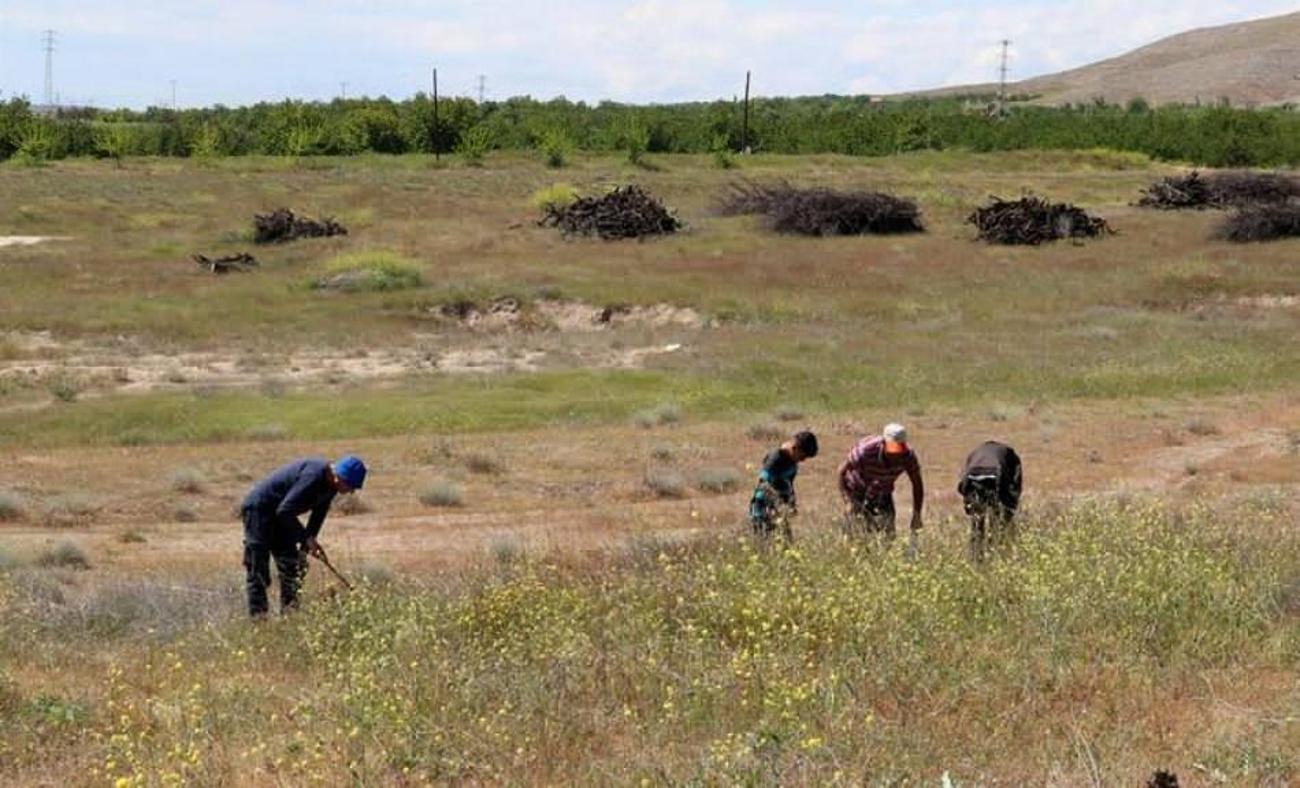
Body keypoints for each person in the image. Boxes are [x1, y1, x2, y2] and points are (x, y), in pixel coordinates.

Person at [239, 455, 367, 617]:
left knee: (292, 568)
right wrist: (306, 538)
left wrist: (305, 549)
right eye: (350, 486)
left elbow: (317, 517)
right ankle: (259, 623)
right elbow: (285, 511)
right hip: (259, 511)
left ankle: (290, 618)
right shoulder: (313, 476)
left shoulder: (331, 486)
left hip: (282, 516)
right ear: (339, 477)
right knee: (258, 570)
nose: (350, 492)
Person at [838, 423, 924, 540]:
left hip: (882, 491)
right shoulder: (864, 451)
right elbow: (841, 471)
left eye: (900, 450)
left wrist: (917, 515)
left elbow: (917, 484)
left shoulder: (908, 456)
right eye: (893, 450)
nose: (896, 456)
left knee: (888, 537)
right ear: (883, 443)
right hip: (857, 490)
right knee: (855, 536)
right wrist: (848, 500)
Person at [748, 430, 819, 541]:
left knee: (786, 544)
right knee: (766, 545)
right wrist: (777, 503)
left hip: (779, 510)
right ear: (795, 448)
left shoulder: (792, 460)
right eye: (802, 456)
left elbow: (788, 484)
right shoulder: (776, 458)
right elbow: (762, 483)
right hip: (763, 509)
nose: (803, 460)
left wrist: (791, 502)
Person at [957, 441, 1022, 560]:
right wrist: (1010, 509)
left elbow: (962, 484)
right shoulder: (1010, 455)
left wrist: (969, 504)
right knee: (998, 520)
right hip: (995, 473)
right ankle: (997, 553)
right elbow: (1015, 485)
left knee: (977, 522)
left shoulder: (975, 453)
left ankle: (977, 557)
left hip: (972, 475)